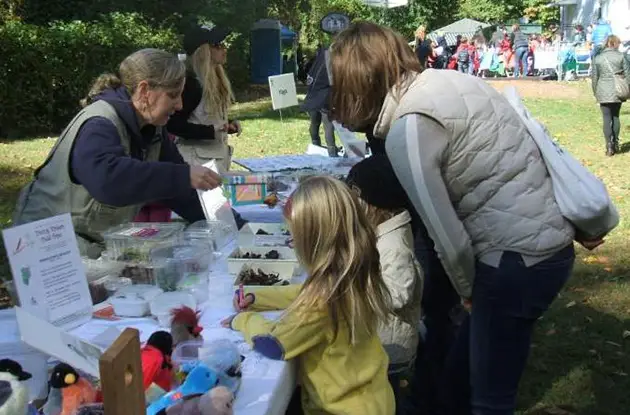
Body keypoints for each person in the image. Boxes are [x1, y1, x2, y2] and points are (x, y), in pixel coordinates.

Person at [329, 22, 605, 415]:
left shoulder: (409, 128)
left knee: (489, 399)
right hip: (546, 248)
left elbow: (448, 237)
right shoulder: (451, 81)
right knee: (460, 377)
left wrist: (467, 291)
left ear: (357, 82)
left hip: (515, 261)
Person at [12, 49, 223, 258]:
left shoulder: (153, 129)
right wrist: (182, 176)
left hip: (86, 246)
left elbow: (183, 194)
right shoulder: (98, 124)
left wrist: (236, 226)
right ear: (144, 91)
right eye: (174, 95)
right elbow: (108, 181)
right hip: (45, 248)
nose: (180, 105)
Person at [223, 176, 395, 415]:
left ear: (314, 241)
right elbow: (305, 293)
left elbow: (274, 344)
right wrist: (258, 297)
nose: (292, 243)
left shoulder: (321, 299)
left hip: (339, 409)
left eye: (295, 237)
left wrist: (242, 320)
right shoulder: (351, 272)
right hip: (372, 398)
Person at [346, 155, 424, 415]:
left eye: (356, 195)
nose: (353, 203)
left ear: (376, 203)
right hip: (380, 339)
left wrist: (357, 285)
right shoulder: (382, 234)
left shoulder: (395, 247)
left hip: (391, 345)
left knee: (392, 401)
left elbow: (398, 294)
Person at [167, 25, 242, 172]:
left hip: (214, 161)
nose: (224, 49)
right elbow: (173, 125)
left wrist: (227, 124)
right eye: (217, 45)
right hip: (196, 163)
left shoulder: (214, 81)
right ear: (203, 52)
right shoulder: (191, 84)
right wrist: (211, 131)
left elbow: (203, 118)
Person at [591, 35, 630, 156]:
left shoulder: (598, 58)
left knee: (606, 118)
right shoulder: (621, 56)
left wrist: (595, 92)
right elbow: (628, 76)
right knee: (616, 117)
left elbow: (594, 78)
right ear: (615, 44)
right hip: (618, 90)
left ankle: (609, 146)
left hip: (602, 90)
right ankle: (616, 143)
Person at [302, 45, 338, 157]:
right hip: (324, 97)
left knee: (315, 123)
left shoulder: (317, 62)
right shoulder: (330, 60)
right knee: (327, 125)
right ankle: (331, 151)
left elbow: (307, 77)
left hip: (313, 95)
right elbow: (332, 81)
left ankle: (316, 146)